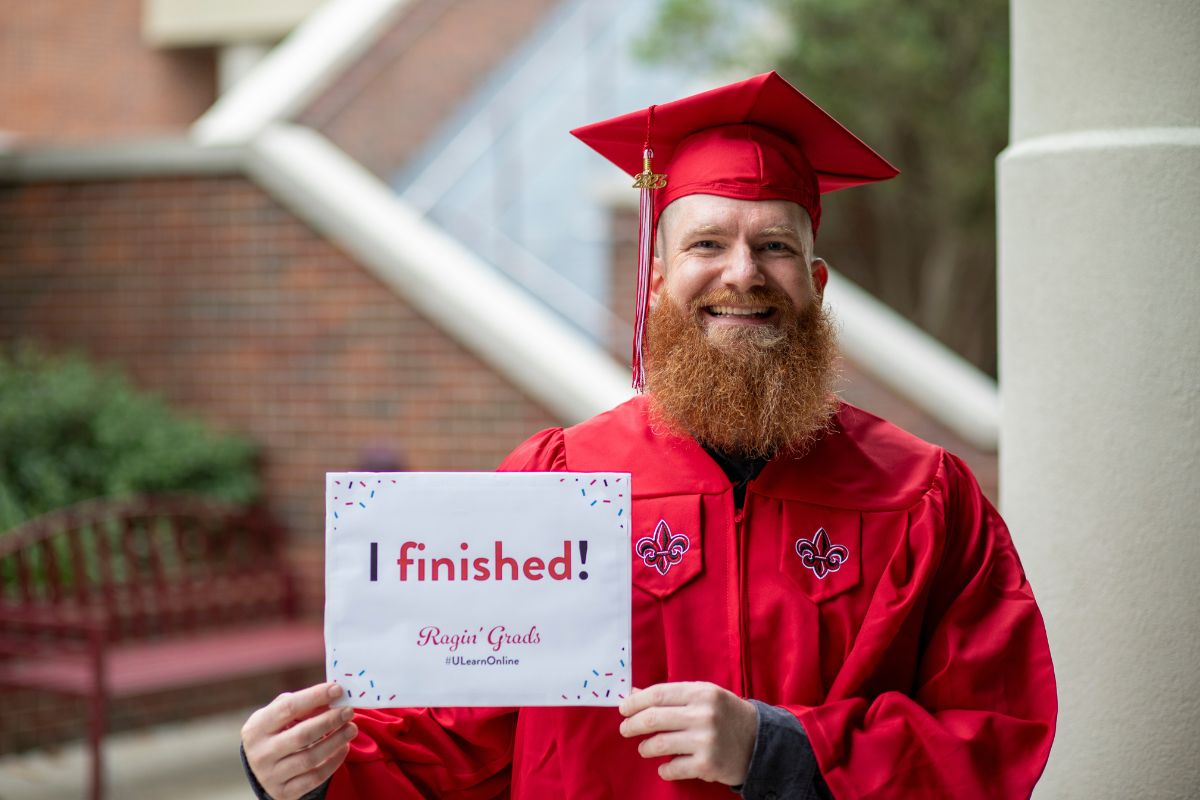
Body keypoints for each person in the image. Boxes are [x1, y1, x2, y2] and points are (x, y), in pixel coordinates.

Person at [240, 72, 1057, 799]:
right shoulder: (557, 482)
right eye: (708, 243)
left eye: (774, 246)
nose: (743, 273)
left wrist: (781, 752)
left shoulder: (920, 496)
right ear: (659, 282)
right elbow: (453, 734)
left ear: (815, 284)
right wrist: (311, 773)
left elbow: (994, 733)